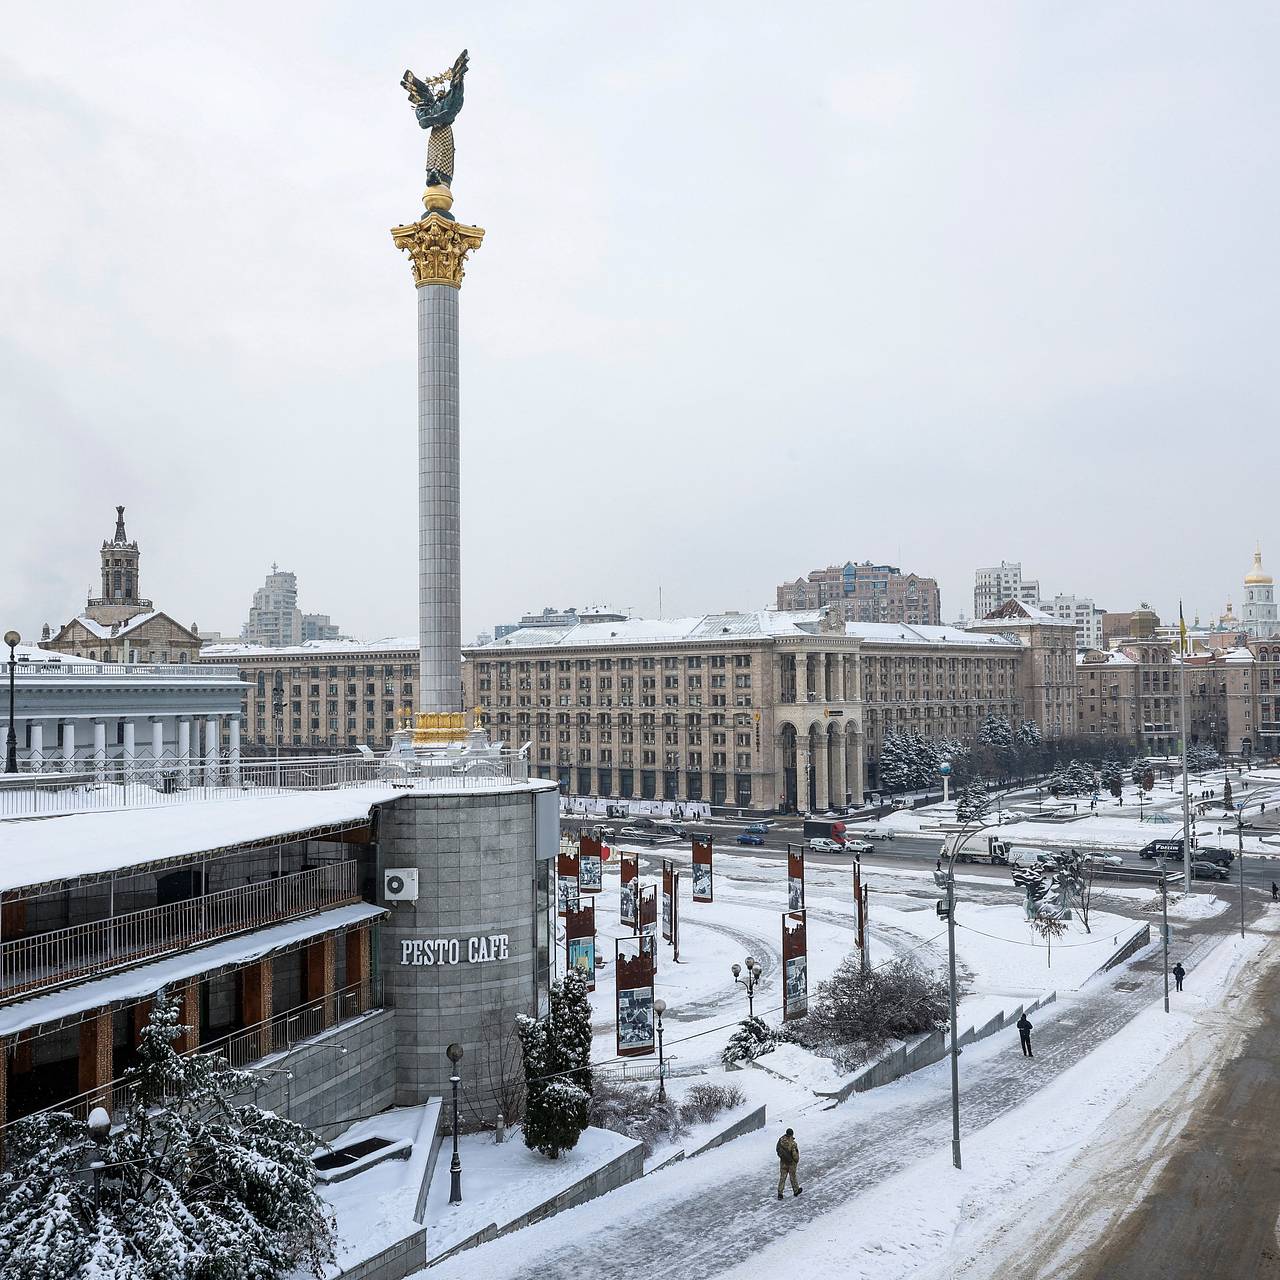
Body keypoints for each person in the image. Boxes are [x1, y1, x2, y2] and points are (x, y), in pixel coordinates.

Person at [776, 1128, 802, 1199]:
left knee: (782, 1178)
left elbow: (778, 1149)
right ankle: (796, 1191)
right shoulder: (793, 1143)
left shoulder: (781, 1140)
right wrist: (796, 1160)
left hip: (783, 1162)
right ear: (792, 1134)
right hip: (791, 1164)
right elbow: (794, 1155)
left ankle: (780, 1193)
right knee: (793, 1177)